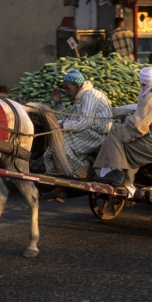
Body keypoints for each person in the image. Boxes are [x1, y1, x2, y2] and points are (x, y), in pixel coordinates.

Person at [41, 69, 112, 202]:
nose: (67, 93)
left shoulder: (90, 95)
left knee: (62, 140)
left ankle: (78, 173)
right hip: (86, 131)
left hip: (98, 135)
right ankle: (61, 182)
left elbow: (85, 121)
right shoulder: (81, 98)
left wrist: (62, 126)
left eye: (68, 89)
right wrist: (58, 102)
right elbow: (70, 118)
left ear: (78, 86)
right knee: (57, 139)